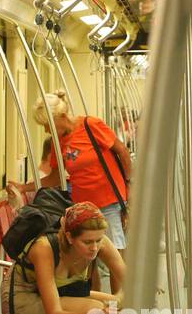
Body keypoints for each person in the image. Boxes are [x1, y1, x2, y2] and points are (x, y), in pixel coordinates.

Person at [8, 89, 132, 263]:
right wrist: (23, 187)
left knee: (114, 259)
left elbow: (122, 152)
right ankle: (98, 291)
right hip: (83, 208)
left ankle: (120, 292)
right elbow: (54, 178)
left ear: (62, 116)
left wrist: (129, 183)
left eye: (47, 125)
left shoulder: (91, 125)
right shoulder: (57, 143)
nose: (45, 130)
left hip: (109, 202)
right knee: (89, 263)